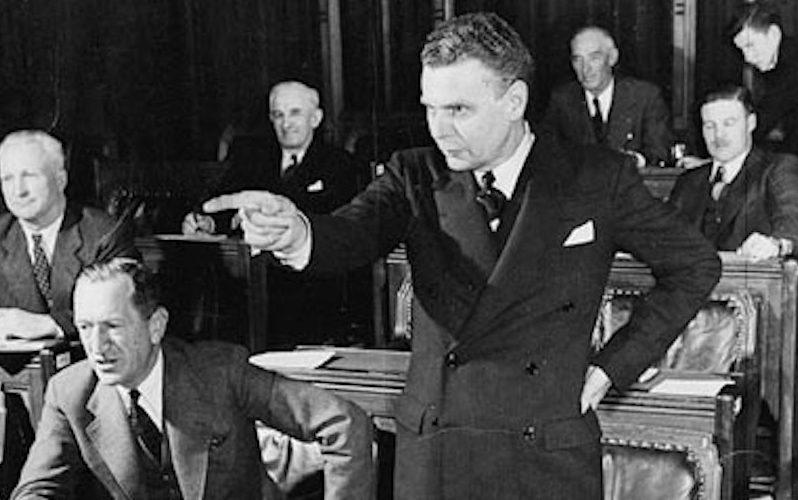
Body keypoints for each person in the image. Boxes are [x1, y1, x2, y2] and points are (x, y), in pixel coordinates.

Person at [203, 12, 721, 499]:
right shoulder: (413, 174)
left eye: (458, 110)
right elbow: (350, 233)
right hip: (438, 452)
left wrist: (612, 367)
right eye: (430, 107)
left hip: (546, 453)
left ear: (514, 101)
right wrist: (297, 233)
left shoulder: (596, 177)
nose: (439, 128)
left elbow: (695, 265)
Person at [11, 257, 373, 500]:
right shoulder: (69, 392)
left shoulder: (221, 371)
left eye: (113, 326)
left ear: (156, 326)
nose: (96, 346)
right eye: (86, 327)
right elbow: (36, 490)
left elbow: (343, 423)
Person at [184, 81, 369, 347]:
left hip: (312, 288)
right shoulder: (251, 157)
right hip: (252, 286)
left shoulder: (340, 164)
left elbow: (335, 223)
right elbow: (225, 199)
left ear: (315, 118)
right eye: (278, 115)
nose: (286, 123)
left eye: (295, 113)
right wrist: (208, 221)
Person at [0, 130, 138, 341]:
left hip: (89, 363)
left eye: (29, 176)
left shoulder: (104, 233)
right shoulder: (3, 234)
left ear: (60, 180)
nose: (18, 191)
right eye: (7, 179)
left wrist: (52, 324)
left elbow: (124, 307)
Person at [669, 84, 798, 260]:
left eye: (728, 123)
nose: (718, 135)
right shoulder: (688, 181)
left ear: (750, 123)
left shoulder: (777, 169)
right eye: (709, 126)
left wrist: (777, 244)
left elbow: (792, 222)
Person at [541, 25, 674, 167]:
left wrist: (635, 160)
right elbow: (548, 153)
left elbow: (660, 152)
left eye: (594, 58)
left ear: (612, 58)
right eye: (578, 60)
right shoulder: (562, 100)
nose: (586, 69)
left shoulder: (645, 96)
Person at [732, 2, 798, 157]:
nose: (748, 57)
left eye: (750, 45)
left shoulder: (793, 66)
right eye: (741, 50)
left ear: (774, 34)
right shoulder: (779, 65)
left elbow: (763, 119)